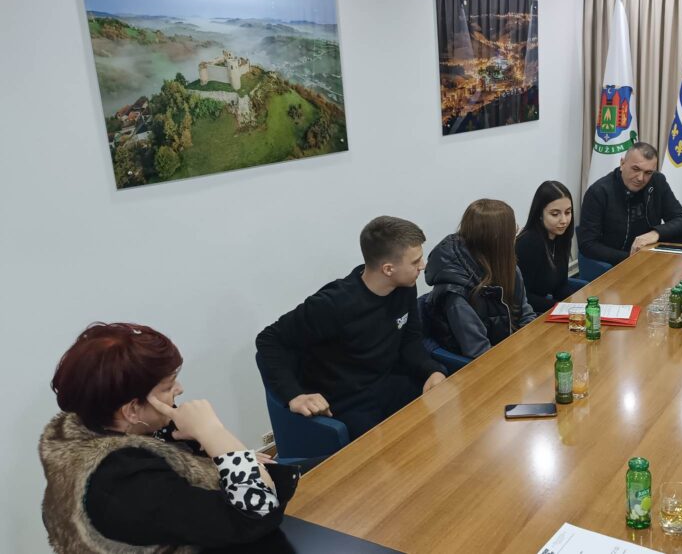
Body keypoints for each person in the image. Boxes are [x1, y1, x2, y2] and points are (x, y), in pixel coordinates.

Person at [40, 323, 298, 553]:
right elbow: (259, 509)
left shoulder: (114, 427)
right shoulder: (126, 484)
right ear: (131, 410)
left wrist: (229, 456)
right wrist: (214, 433)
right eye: (168, 386)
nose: (179, 389)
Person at [256, 216, 447, 440]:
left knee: (443, 414)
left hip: (388, 382)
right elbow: (269, 339)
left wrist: (431, 370)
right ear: (388, 269)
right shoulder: (332, 304)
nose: (422, 265)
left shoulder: (404, 287)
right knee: (391, 452)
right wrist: (294, 395)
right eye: (415, 262)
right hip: (349, 400)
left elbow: (410, 341)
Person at [424, 199, 537, 358]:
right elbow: (480, 352)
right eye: (514, 229)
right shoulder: (456, 292)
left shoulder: (508, 267)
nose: (517, 233)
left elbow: (526, 314)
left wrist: (533, 344)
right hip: (485, 363)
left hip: (511, 348)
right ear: (497, 239)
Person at [578, 142, 682, 265]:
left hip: (649, 259)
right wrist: (631, 258)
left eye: (648, 173)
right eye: (636, 169)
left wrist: (656, 233)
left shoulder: (657, 181)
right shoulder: (599, 191)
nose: (640, 178)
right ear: (622, 164)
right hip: (616, 263)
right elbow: (587, 244)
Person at [516, 181, 577, 312]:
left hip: (547, 307)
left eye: (568, 212)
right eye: (555, 214)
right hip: (528, 313)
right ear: (539, 214)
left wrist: (578, 303)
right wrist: (560, 307)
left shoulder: (561, 237)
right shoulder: (529, 243)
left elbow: (560, 285)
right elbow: (522, 297)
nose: (564, 220)